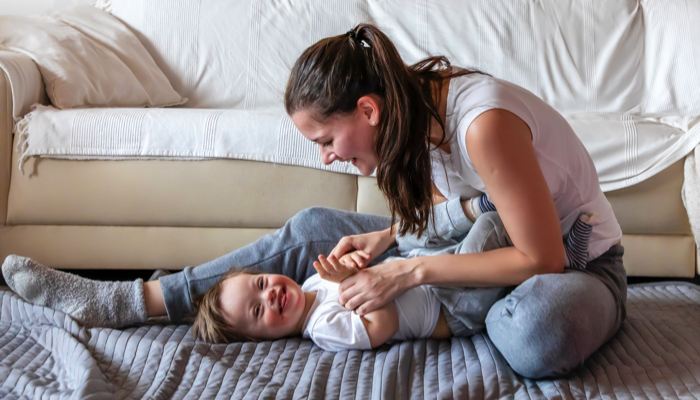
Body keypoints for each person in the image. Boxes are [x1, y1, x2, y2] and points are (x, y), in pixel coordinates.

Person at [0, 23, 626, 379]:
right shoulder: (414, 118)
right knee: (315, 226)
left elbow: (540, 257)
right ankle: (131, 298)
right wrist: (387, 240)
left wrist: (408, 268)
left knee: (539, 333)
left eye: (328, 139)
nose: (327, 156)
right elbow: (461, 212)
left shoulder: (479, 123)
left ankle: (480, 315)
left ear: (369, 110)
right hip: (481, 245)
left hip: (573, 270)